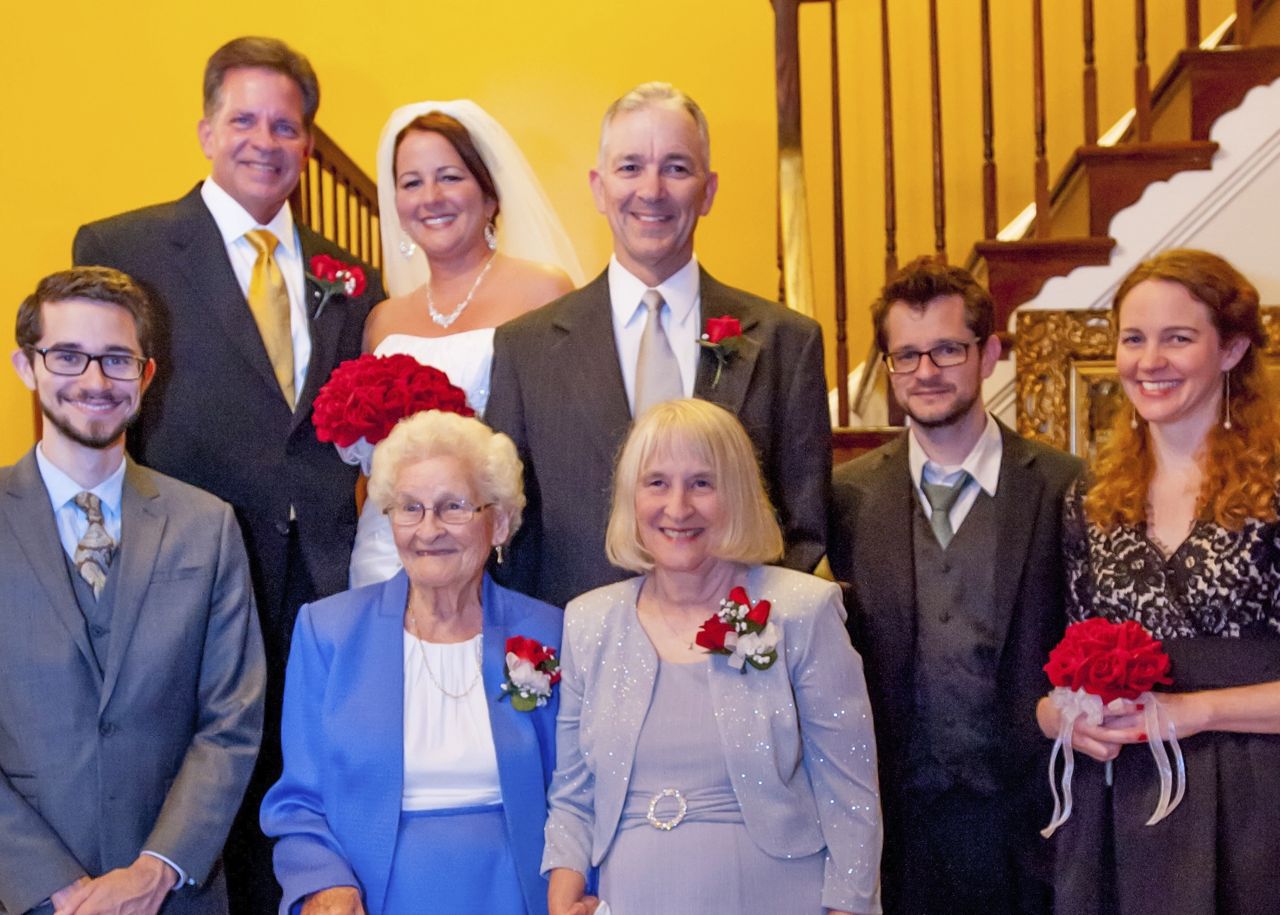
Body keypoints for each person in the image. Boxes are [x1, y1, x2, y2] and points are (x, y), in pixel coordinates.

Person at [71, 37, 384, 911]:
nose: (264, 141)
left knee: (305, 798)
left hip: (321, 580)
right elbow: (96, 411)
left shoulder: (351, 276)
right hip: (182, 572)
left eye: (286, 126)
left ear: (308, 143)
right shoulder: (125, 245)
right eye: (244, 120)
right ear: (207, 129)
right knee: (193, 801)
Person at [487, 82, 830, 609]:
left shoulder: (786, 343)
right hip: (576, 644)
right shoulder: (525, 350)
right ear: (599, 188)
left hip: (737, 644)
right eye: (630, 168)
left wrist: (745, 635)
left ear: (708, 191)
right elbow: (511, 531)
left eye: (676, 168)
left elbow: (803, 528)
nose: (651, 190)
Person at [544, 398, 881, 915]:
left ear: (739, 494)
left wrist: (849, 908)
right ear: (631, 497)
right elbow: (573, 793)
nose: (678, 507)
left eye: (702, 483)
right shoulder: (589, 621)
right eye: (657, 483)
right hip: (634, 896)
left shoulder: (802, 610)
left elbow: (850, 794)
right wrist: (563, 894)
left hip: (778, 897)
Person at [0, 267, 265, 915]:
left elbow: (231, 720)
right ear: (26, 366)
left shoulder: (208, 525)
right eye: (67, 355)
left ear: (146, 376)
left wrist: (154, 872)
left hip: (174, 895)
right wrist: (55, 887)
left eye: (117, 359)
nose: (95, 381)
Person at [827, 257, 1081, 914]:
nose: (926, 371)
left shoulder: (1064, 486)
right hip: (898, 827)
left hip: (1032, 825)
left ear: (988, 353)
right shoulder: (847, 497)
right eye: (906, 355)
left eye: (947, 349)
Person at [1037, 249, 1280, 915]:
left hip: (1260, 801)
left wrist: (1197, 710)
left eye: (1177, 338)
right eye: (1133, 339)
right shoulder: (1089, 493)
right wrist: (1060, 717)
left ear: (1231, 348)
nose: (1149, 361)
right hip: (1127, 800)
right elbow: (1064, 664)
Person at [261, 410, 561, 915]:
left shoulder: (550, 633)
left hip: (521, 895)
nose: (428, 530)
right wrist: (326, 884)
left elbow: (577, 794)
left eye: (453, 507)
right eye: (410, 508)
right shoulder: (329, 633)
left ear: (499, 523)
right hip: (373, 898)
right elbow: (298, 803)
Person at [348, 100, 582, 588]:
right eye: (412, 183)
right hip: (383, 551)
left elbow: (566, 445)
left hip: (495, 547)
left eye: (450, 177)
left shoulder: (543, 293)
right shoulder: (382, 320)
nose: (430, 197)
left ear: (489, 195)